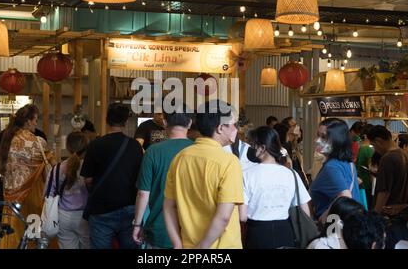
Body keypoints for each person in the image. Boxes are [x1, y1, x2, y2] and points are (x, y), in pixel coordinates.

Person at [163, 100, 244, 249]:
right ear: (220, 128)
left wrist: (177, 243)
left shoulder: (180, 157)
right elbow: (224, 216)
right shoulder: (229, 162)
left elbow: (168, 207)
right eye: (234, 124)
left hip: (188, 245)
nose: (236, 129)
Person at [80, 104, 143, 249]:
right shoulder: (135, 146)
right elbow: (140, 178)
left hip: (101, 209)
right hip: (129, 208)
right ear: (126, 122)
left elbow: (88, 179)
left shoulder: (95, 145)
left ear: (106, 121)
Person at [240, 126, 311, 249]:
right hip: (285, 232)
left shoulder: (247, 174)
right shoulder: (291, 174)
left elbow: (242, 216)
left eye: (253, 145)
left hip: (257, 234)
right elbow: (305, 210)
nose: (251, 148)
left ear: (262, 148)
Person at [133, 108, 193, 249]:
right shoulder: (198, 149)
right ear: (189, 123)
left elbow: (143, 194)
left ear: (165, 122)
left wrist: (137, 224)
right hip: (192, 230)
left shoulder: (152, 152)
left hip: (159, 228)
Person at [0, 104, 54, 249]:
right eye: (35, 119)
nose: (36, 123)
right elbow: (52, 167)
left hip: (11, 196)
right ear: (28, 121)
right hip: (32, 195)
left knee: (11, 232)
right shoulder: (38, 142)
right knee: (32, 233)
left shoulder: (8, 139)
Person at [309, 118, 361, 224]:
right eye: (318, 135)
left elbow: (345, 196)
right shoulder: (347, 163)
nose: (317, 140)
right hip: (350, 225)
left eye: (323, 137)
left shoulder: (332, 167)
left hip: (335, 229)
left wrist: (324, 218)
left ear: (337, 140)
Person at [46, 131, 90, 249]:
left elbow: (48, 194)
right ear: (86, 147)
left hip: (63, 216)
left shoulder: (57, 169)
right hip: (86, 217)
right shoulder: (90, 167)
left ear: (68, 147)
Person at [366, 125, 408, 215]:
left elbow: (384, 191)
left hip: (387, 212)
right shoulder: (404, 154)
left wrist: (376, 214)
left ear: (378, 141)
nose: (375, 149)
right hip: (400, 212)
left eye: (373, 145)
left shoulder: (388, 158)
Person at [356, 124, 375, 208]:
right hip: (367, 184)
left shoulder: (360, 147)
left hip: (360, 182)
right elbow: (372, 168)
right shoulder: (368, 149)